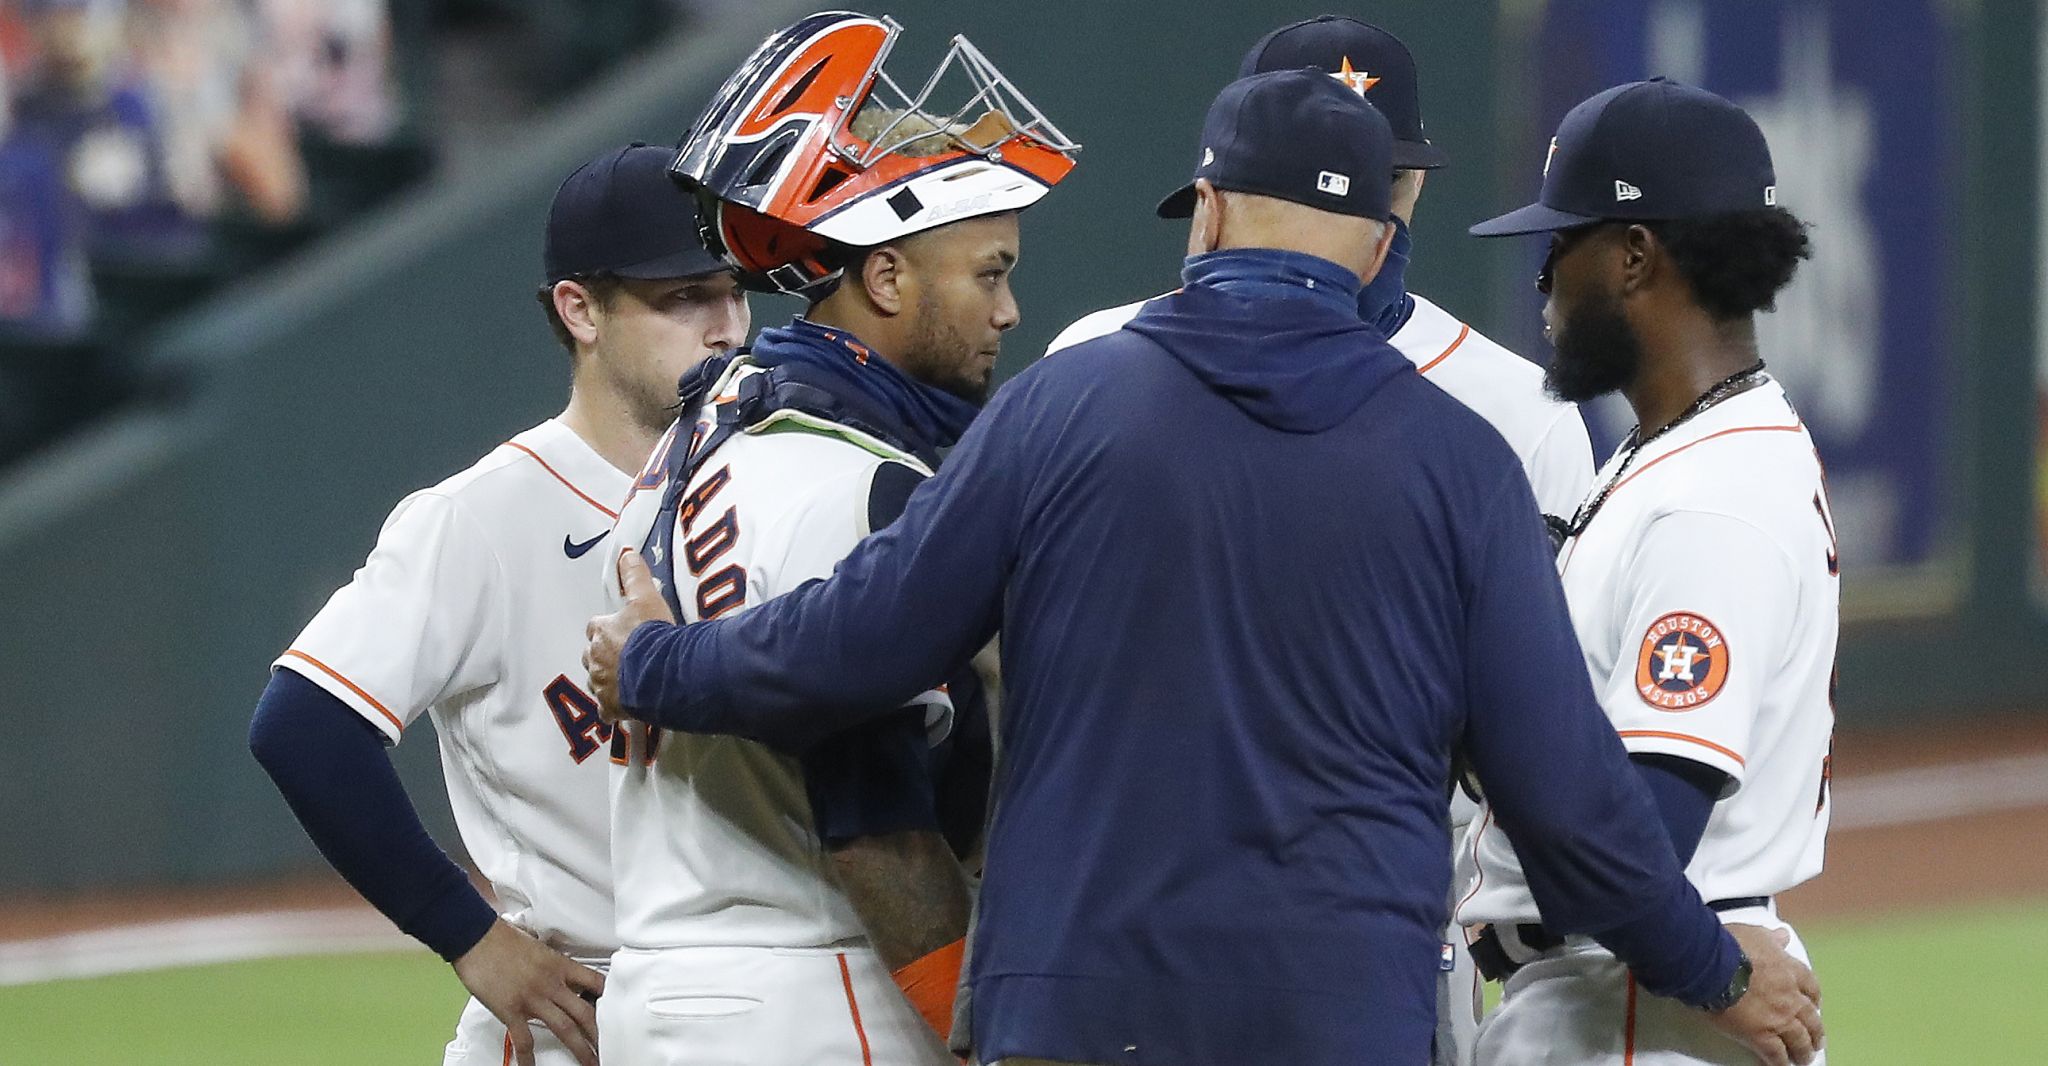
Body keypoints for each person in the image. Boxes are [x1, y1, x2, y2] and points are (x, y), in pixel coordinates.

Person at [586, 70, 1822, 1066]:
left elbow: (845, 647)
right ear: (1375, 245)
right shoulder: (1462, 462)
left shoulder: (1061, 408)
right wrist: (1710, 969)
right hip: (1336, 1012)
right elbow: (1567, 799)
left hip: (1072, 1011)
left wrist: (656, 660)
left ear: (1212, 210)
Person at [585, 12, 1074, 1066]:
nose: (1008, 311)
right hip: (823, 981)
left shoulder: (697, 436)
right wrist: (974, 1033)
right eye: (987, 272)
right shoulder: (857, 483)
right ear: (887, 277)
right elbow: (872, 816)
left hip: (665, 981)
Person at [248, 143, 748, 1066]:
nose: (724, 327)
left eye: (733, 292)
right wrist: (470, 935)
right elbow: (302, 724)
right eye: (682, 298)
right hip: (585, 1014)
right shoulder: (478, 519)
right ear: (580, 310)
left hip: (749, 999)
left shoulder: (757, 486)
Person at [1456, 78, 1835, 1066]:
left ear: (1632, 256)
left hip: (1645, 1004)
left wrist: (1709, 971)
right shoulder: (1673, 457)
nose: (1543, 277)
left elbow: (1636, 833)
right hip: (1626, 991)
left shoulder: (1711, 499)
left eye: (1560, 243)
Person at [1044, 16, 1593, 521]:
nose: (1351, 220)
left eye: (1385, 182)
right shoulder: (1087, 365)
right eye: (1302, 186)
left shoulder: (1523, 412)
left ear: (1420, 183)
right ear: (1216, 198)